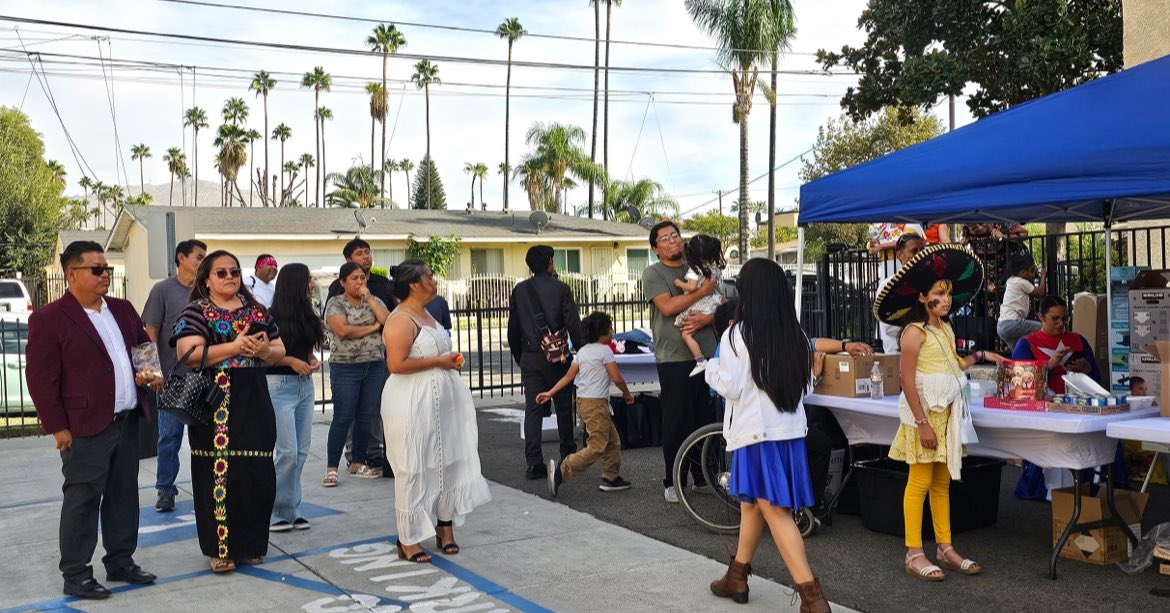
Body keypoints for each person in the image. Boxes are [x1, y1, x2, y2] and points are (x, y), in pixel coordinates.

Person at [27, 240, 163, 600]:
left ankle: (120, 561)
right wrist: (58, 427)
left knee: (123, 495)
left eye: (108, 269)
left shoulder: (122, 308)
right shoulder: (49, 319)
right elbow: (41, 379)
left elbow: (142, 350)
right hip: (84, 425)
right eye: (97, 269)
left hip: (126, 419)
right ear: (71, 274)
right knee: (83, 499)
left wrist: (149, 371)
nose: (106, 275)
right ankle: (76, 574)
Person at [704, 258, 832, 611]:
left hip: (755, 434)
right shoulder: (797, 335)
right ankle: (737, 575)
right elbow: (803, 389)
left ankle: (812, 597)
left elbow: (729, 387)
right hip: (788, 433)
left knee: (775, 512)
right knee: (752, 505)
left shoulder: (736, 335)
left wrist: (709, 368)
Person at [874, 244, 1005, 582]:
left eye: (948, 294)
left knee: (942, 483)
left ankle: (944, 547)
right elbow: (906, 379)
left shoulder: (945, 329)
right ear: (922, 297)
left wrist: (984, 355)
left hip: (947, 415)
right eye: (938, 293)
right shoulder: (913, 332)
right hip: (924, 416)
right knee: (919, 482)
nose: (946, 300)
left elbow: (956, 364)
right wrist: (921, 423)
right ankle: (913, 552)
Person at [173, 250, 286, 573]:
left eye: (234, 272)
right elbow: (188, 353)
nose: (229, 277)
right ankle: (220, 548)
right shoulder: (198, 311)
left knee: (257, 470)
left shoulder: (257, 311)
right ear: (206, 280)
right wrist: (235, 348)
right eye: (220, 273)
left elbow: (280, 349)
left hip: (254, 396)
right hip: (215, 399)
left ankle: (251, 544)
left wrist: (265, 351)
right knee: (218, 472)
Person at [381, 260, 491, 563]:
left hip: (442, 400)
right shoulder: (400, 318)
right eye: (429, 275)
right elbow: (396, 364)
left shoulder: (428, 312)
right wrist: (439, 362)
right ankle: (409, 538)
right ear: (415, 284)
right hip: (411, 400)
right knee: (414, 466)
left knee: (446, 462)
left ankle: (445, 528)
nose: (435, 279)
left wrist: (450, 361)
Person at [643, 221, 718, 503]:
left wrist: (708, 316)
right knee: (677, 421)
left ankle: (703, 478)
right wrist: (702, 292)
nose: (673, 241)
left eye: (675, 235)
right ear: (655, 248)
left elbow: (721, 307)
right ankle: (674, 480)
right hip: (674, 358)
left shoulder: (698, 265)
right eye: (665, 238)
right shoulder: (654, 273)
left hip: (708, 355)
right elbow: (667, 307)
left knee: (706, 419)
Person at [1011, 295, 1105, 499]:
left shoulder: (1077, 339)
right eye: (1055, 319)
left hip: (1078, 404)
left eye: (1064, 318)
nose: (1061, 323)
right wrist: (1051, 364)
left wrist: (1085, 367)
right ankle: (1049, 489)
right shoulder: (1026, 343)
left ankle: (1095, 482)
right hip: (1045, 410)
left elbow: (1095, 374)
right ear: (1040, 317)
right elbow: (1019, 382)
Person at [507, 245, 583, 480]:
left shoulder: (520, 290)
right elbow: (573, 324)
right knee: (562, 407)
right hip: (558, 357)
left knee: (533, 409)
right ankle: (567, 454)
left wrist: (520, 356)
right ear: (550, 262)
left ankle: (534, 462)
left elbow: (513, 328)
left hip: (530, 356)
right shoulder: (561, 289)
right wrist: (582, 350)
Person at [143, 238, 206, 513]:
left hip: (205, 379)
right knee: (169, 438)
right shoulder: (162, 291)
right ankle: (165, 490)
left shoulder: (208, 292)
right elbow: (149, 334)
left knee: (205, 439)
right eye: (198, 257)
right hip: (173, 380)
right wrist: (155, 372)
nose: (202, 262)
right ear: (181, 257)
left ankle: (206, 487)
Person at [542, 312, 635, 497]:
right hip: (596, 404)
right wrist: (627, 394)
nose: (613, 331)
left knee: (613, 441)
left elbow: (569, 377)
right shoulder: (605, 351)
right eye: (610, 328)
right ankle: (562, 470)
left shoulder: (583, 351)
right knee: (597, 446)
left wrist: (550, 392)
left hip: (584, 402)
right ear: (602, 332)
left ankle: (611, 477)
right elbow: (616, 378)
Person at [326, 238, 395, 476]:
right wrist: (372, 327)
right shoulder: (337, 291)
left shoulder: (381, 284)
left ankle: (370, 455)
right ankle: (345, 458)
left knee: (372, 410)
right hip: (346, 364)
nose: (366, 256)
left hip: (378, 359)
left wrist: (370, 298)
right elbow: (341, 329)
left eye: (368, 252)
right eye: (359, 253)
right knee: (346, 413)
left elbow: (389, 319)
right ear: (348, 261)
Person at [266, 263, 324, 532]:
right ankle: (276, 511)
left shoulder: (307, 314)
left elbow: (305, 350)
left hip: (304, 386)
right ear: (295, 284)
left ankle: (293, 508)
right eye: (308, 279)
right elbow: (264, 355)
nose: (312, 283)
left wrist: (309, 360)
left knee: (300, 452)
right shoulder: (270, 317)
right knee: (286, 452)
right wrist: (290, 361)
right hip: (279, 387)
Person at [673, 234, 726, 376]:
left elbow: (691, 287)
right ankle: (719, 352)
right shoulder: (714, 268)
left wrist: (679, 283)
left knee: (685, 334)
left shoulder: (695, 269)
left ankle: (700, 361)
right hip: (713, 302)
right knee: (717, 329)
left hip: (700, 305)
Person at [876, 233, 926, 353]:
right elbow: (889, 326)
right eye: (914, 251)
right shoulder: (888, 286)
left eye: (922, 250)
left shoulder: (929, 283)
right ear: (899, 255)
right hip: (898, 355)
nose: (920, 255)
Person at [997, 255, 1047, 349]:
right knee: (1043, 327)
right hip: (1012, 323)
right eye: (1032, 270)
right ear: (1023, 272)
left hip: (1001, 325)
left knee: (1018, 352)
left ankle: (1001, 363)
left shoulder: (1011, 281)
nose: (1034, 273)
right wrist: (1043, 276)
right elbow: (1041, 292)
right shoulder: (1021, 282)